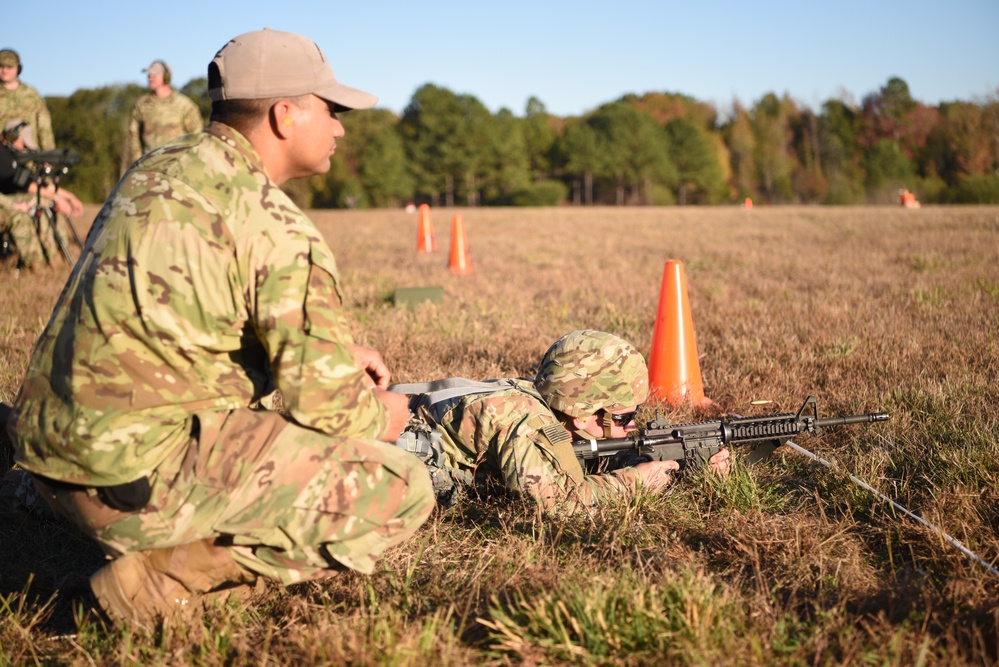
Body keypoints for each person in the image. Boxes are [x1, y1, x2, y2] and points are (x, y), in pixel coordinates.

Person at [6, 28, 433, 629]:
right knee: (401, 485)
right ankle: (153, 587)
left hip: (47, 457)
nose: (339, 127)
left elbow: (183, 313)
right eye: (331, 110)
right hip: (126, 485)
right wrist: (385, 415)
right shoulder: (278, 226)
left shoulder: (157, 168)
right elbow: (333, 414)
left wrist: (329, 350)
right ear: (286, 114)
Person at [392, 330, 730, 514]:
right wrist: (634, 483)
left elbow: (585, 454)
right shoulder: (527, 422)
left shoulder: (546, 398)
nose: (631, 427)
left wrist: (679, 462)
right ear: (582, 413)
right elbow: (555, 504)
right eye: (625, 417)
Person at [0, 119, 84, 270]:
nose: (24, 147)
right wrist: (58, 198)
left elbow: (39, 184)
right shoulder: (3, 156)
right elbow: (28, 186)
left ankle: (58, 257)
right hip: (5, 203)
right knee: (42, 202)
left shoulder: (15, 155)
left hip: (10, 199)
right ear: (11, 137)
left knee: (46, 201)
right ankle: (42, 264)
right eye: (22, 142)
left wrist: (69, 197)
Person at [126, 59, 204, 167]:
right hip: (148, 167)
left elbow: (196, 136)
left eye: (154, 74)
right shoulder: (142, 104)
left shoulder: (184, 105)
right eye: (148, 75)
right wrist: (138, 163)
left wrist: (189, 163)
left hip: (177, 167)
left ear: (166, 76)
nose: (150, 77)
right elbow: (133, 134)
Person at [0, 49, 55, 151]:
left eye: (9, 67)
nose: (5, 71)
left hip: (29, 154)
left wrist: (48, 151)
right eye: (1, 67)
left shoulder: (31, 93)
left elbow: (44, 124)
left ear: (18, 68)